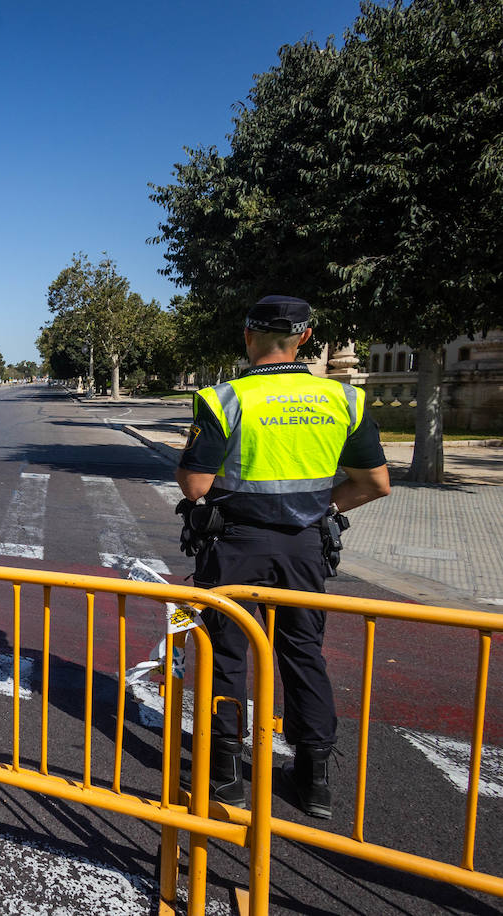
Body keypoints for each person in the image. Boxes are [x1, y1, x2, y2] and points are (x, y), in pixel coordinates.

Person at [175, 295, 390, 818]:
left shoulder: (224, 398)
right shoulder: (344, 399)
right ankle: (314, 777)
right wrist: (323, 506)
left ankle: (225, 773)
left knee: (225, 653)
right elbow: (376, 484)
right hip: (305, 548)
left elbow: (196, 484)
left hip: (235, 548)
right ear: (307, 338)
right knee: (301, 652)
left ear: (248, 336)